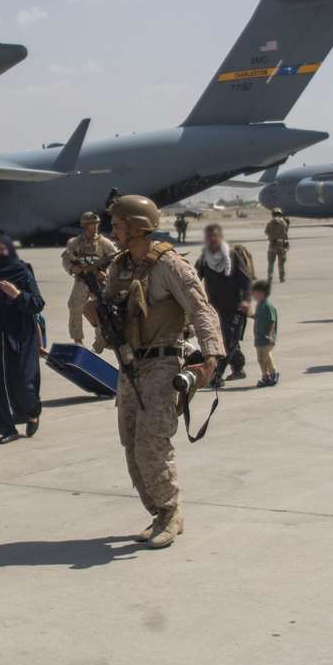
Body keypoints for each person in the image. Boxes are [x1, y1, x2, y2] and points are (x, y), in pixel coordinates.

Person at [90, 195, 222, 549]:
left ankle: (170, 511)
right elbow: (112, 314)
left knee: (152, 440)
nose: (112, 232)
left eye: (118, 226)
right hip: (130, 363)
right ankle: (158, 512)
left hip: (164, 362)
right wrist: (98, 316)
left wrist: (210, 356)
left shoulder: (169, 266)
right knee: (131, 443)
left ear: (136, 227)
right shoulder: (120, 268)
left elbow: (201, 308)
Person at [0, 235, 45, 443]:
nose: (1, 251)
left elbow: (38, 303)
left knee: (22, 382)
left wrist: (17, 294)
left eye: (4, 247)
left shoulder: (24, 273)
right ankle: (7, 428)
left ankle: (31, 414)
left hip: (21, 338)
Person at [194, 223, 252, 383]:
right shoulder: (204, 258)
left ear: (220, 238)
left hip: (235, 307)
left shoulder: (232, 256)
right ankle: (238, 368)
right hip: (214, 308)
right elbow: (194, 278)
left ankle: (216, 375)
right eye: (209, 236)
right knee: (227, 339)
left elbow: (246, 281)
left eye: (215, 236)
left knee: (227, 341)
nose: (212, 239)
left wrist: (246, 301)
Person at [60, 212, 117, 352]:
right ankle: (77, 340)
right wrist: (73, 268)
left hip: (99, 281)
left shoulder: (105, 243)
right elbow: (66, 259)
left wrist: (105, 273)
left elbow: (115, 260)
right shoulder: (75, 243)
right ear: (85, 226)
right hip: (82, 280)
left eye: (96, 223)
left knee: (102, 309)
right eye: (92, 224)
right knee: (74, 306)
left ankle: (100, 340)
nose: (95, 226)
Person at [250, 279, 280, 386]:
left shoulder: (268, 306)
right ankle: (264, 376)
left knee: (266, 356)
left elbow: (272, 320)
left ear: (262, 293)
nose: (253, 295)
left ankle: (273, 373)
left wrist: (270, 333)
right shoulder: (259, 305)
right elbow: (256, 317)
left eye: (255, 293)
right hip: (259, 337)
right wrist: (247, 313)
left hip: (267, 338)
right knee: (260, 359)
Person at [264, 207, 290, 283]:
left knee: (271, 263)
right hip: (281, 244)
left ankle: (270, 277)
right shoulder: (283, 222)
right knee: (281, 263)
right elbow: (285, 233)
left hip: (272, 244)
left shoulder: (270, 222)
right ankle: (282, 278)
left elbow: (266, 232)